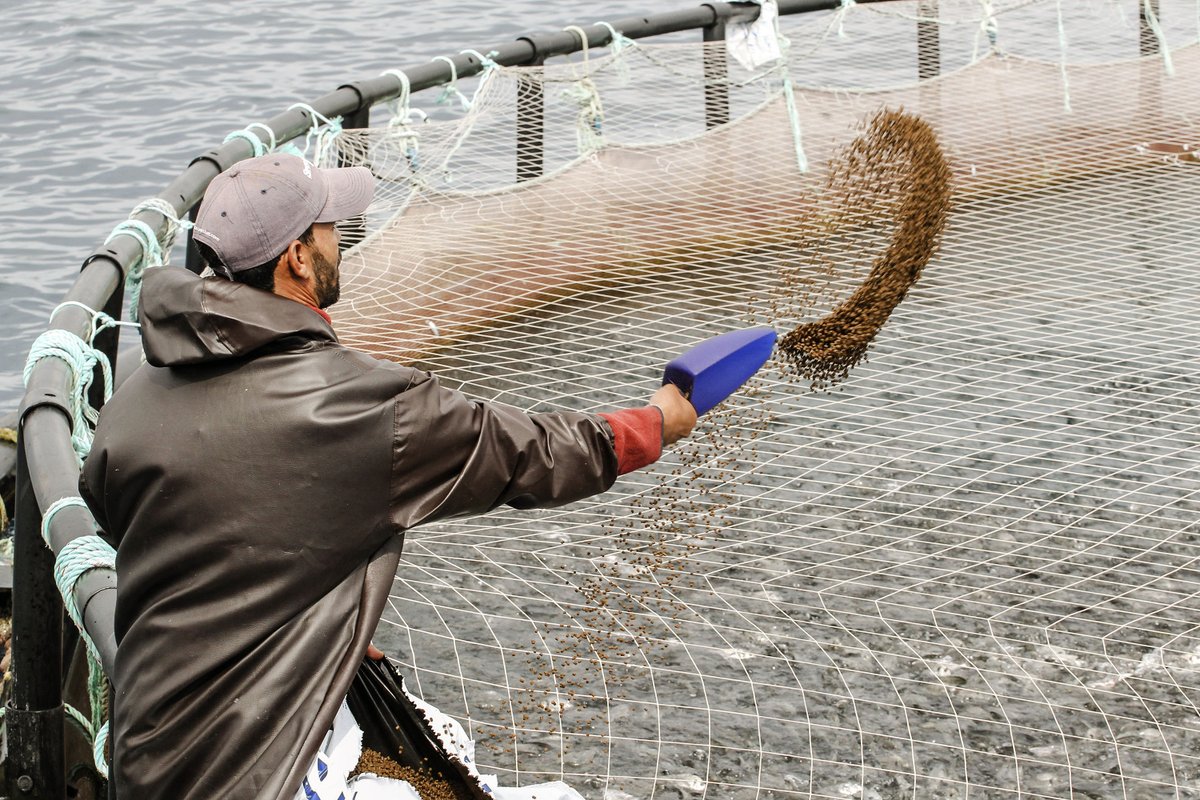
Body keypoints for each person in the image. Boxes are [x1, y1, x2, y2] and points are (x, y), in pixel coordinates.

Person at [80, 153, 697, 800]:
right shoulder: (366, 406)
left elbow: (141, 514)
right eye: (330, 230)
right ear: (296, 258)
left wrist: (320, 617)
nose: (339, 243)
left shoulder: (131, 399)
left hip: (149, 759)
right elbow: (529, 453)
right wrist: (653, 424)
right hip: (256, 775)